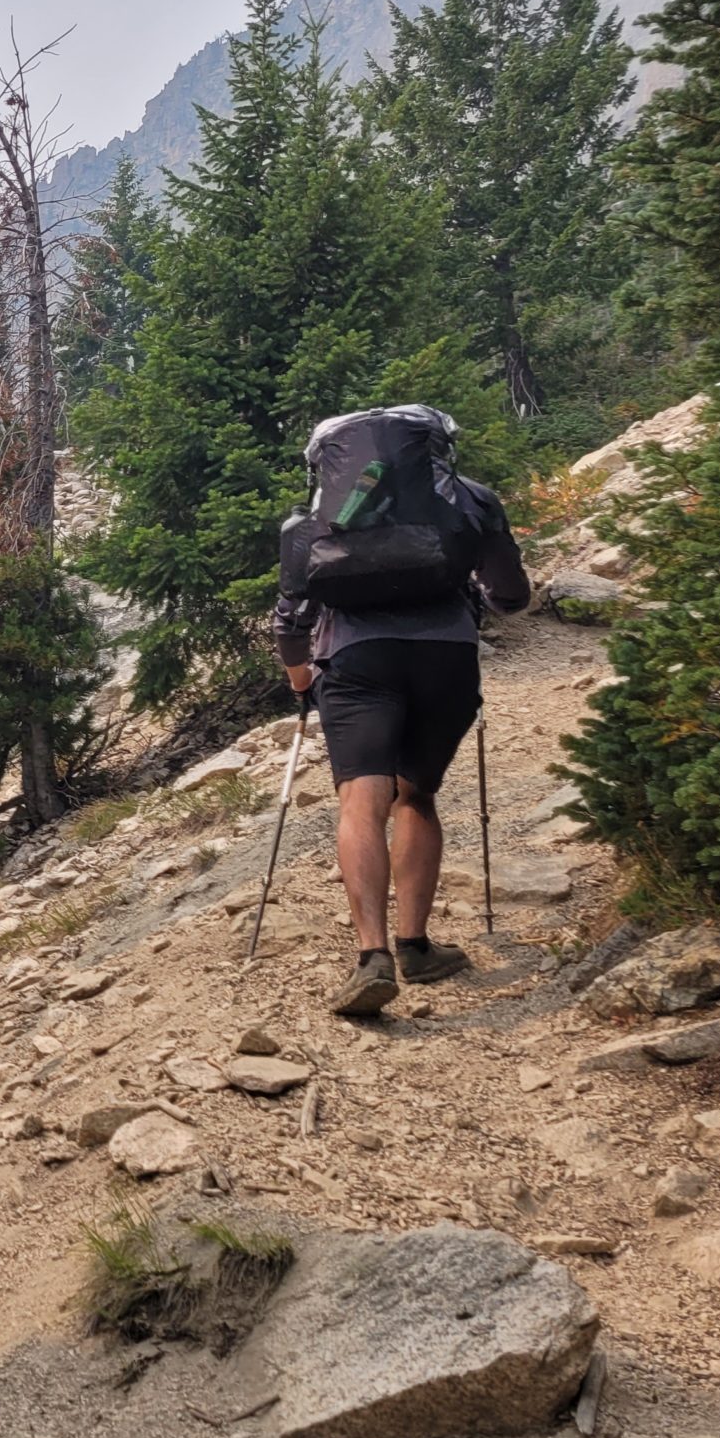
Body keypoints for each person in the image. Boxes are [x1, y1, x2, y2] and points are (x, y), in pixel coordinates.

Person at [273, 411, 530, 1018]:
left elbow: (290, 619)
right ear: (437, 449)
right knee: (415, 797)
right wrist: (483, 600)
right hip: (446, 660)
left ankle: (372, 959)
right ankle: (417, 947)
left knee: (362, 802)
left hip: (356, 663)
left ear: (325, 461)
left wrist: (301, 680)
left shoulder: (313, 522)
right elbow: (511, 596)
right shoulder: (472, 500)